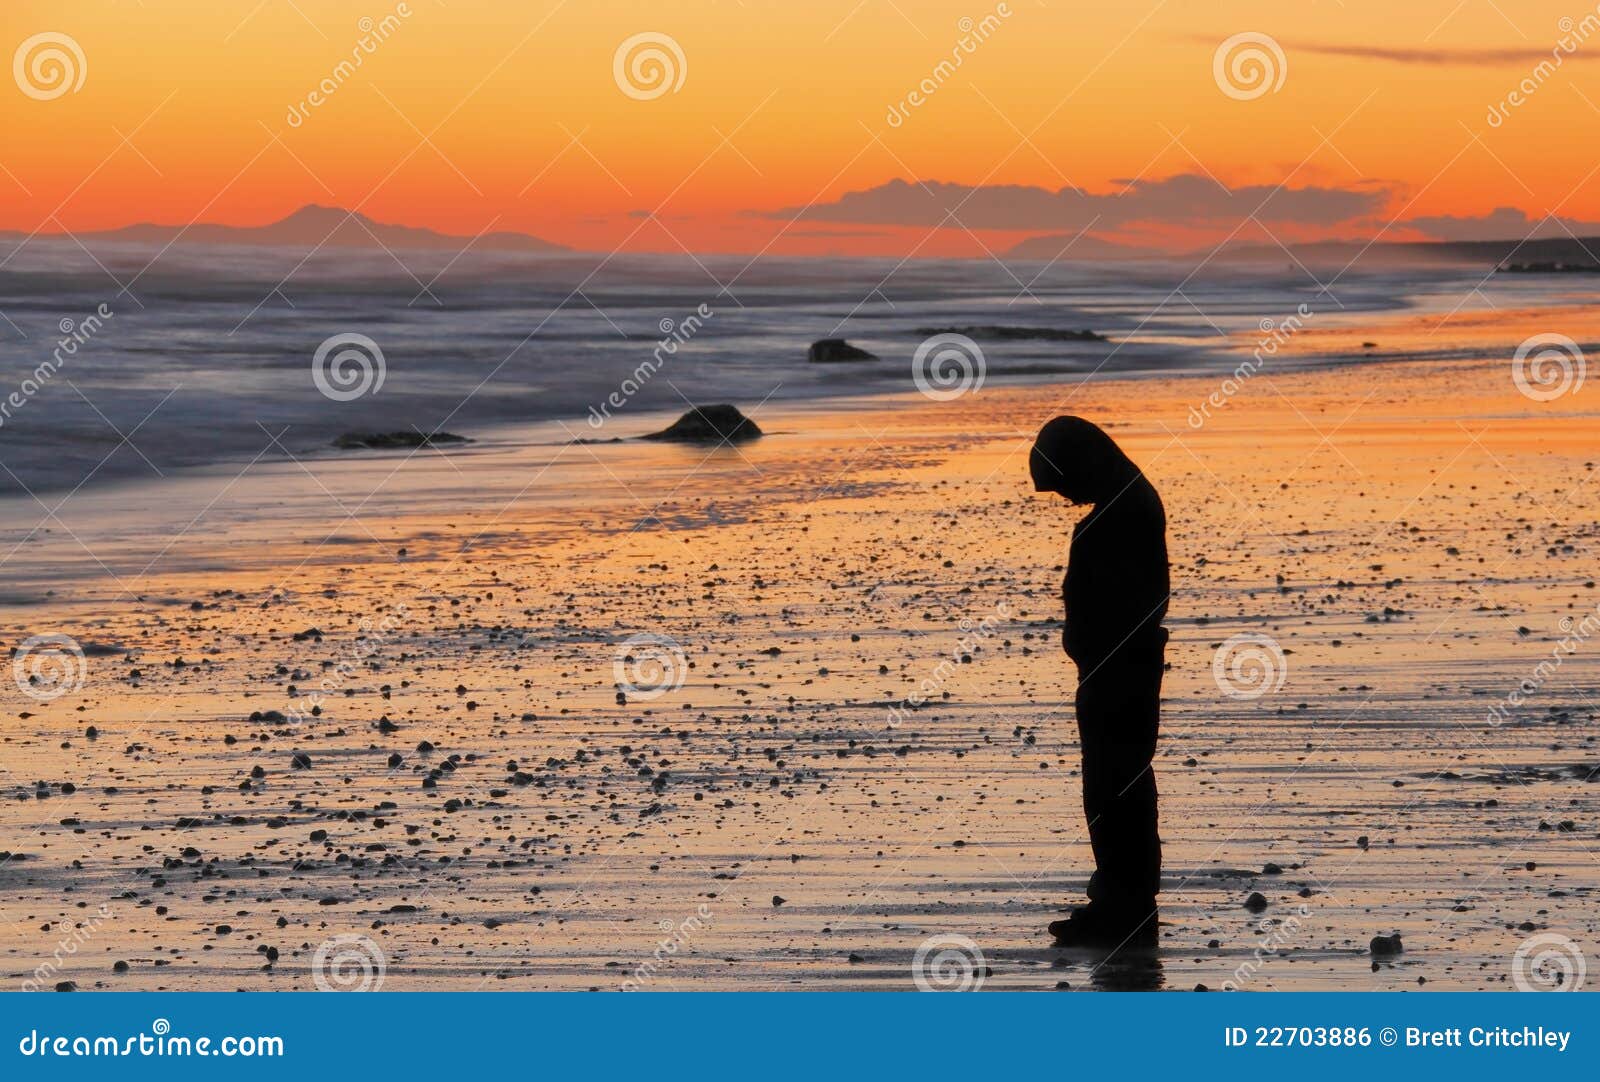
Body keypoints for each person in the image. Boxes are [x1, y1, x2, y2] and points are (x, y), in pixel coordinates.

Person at [1029, 416, 1169, 947]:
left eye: (1064, 485)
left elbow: (1126, 601)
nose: (1066, 499)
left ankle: (1125, 906)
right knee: (1117, 785)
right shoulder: (1127, 503)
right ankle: (1122, 900)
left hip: (1119, 670)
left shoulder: (1121, 513)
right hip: (1116, 665)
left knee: (1115, 787)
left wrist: (1095, 649)